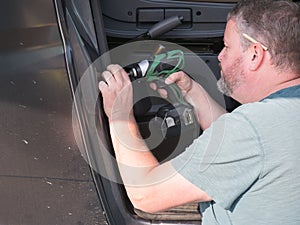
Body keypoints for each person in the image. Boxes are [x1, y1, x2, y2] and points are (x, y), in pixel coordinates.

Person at [99, 0, 300, 224]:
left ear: (255, 54)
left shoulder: (251, 130)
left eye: (226, 46)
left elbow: (146, 194)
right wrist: (194, 93)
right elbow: (251, 153)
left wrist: (120, 116)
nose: (221, 56)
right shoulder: (280, 118)